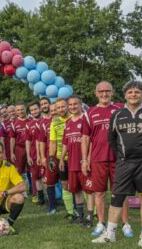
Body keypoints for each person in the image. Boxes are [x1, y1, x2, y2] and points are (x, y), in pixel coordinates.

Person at [92, 81, 142, 247]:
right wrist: (121, 155)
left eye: (137, 92)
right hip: (124, 163)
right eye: (130, 92)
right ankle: (109, 234)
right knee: (117, 197)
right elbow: (112, 139)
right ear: (125, 95)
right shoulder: (117, 115)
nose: (133, 94)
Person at [81, 81, 132, 236]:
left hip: (119, 159)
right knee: (99, 193)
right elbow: (85, 138)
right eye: (101, 91)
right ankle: (101, 223)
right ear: (96, 93)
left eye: (107, 91)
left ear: (112, 92)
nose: (104, 94)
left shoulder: (121, 109)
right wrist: (84, 159)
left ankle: (125, 224)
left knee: (120, 192)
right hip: (97, 159)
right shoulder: (89, 112)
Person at [59, 95, 93, 224]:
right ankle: (80, 215)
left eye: (75, 104)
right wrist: (62, 159)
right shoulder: (68, 122)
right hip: (72, 163)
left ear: (81, 104)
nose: (73, 107)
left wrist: (88, 159)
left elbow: (91, 142)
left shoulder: (86, 119)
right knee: (76, 190)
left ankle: (90, 216)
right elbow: (65, 143)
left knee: (89, 191)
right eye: (71, 105)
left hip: (84, 162)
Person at [49, 98, 74, 220]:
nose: (60, 109)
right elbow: (53, 142)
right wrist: (51, 158)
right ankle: (70, 212)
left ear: (68, 106)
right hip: (61, 158)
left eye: (63, 106)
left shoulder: (76, 118)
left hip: (76, 157)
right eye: (58, 107)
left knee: (83, 185)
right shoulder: (54, 122)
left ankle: (92, 212)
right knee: (64, 184)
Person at [38, 98, 60, 214]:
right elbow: (41, 141)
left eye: (55, 109)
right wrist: (42, 156)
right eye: (52, 110)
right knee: (49, 181)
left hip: (63, 156)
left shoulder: (65, 121)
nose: (54, 112)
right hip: (49, 155)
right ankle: (52, 206)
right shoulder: (44, 123)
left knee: (66, 181)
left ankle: (72, 206)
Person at [26, 101, 45, 205]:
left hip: (45, 153)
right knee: (37, 177)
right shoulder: (29, 124)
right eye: (32, 110)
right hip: (33, 154)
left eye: (35, 109)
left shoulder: (46, 120)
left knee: (47, 177)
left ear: (40, 108)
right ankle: (41, 198)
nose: (34, 112)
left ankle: (55, 197)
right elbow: (27, 141)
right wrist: (28, 155)